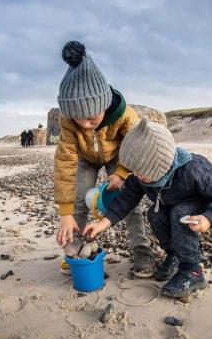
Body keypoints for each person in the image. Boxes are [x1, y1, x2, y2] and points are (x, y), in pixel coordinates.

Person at [84, 119, 212, 298]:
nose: (136, 175)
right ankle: (174, 255)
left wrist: (209, 218)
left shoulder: (193, 169)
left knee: (179, 215)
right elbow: (126, 200)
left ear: (160, 166)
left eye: (141, 172)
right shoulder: (140, 176)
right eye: (134, 171)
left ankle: (192, 270)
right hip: (167, 204)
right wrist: (103, 223)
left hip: (196, 207)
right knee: (154, 214)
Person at [55, 40, 153, 277]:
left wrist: (120, 173)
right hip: (85, 158)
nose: (86, 124)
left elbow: (136, 147)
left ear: (104, 103)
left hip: (119, 157)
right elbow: (65, 162)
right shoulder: (67, 121)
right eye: (79, 119)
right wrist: (65, 213)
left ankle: (142, 250)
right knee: (78, 201)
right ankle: (75, 251)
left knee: (128, 201)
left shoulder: (125, 115)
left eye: (91, 117)